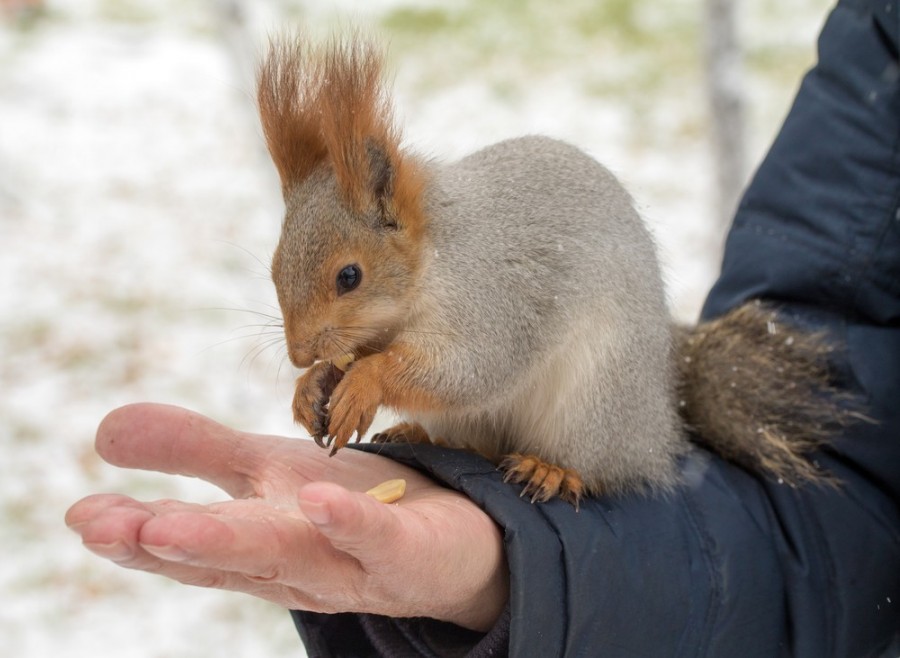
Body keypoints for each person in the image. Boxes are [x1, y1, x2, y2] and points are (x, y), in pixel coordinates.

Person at [65, 0, 900, 655]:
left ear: (395, 212)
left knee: (551, 358)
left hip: (590, 413)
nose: (303, 339)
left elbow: (480, 367)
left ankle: (577, 467)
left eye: (344, 285)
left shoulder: (459, 267)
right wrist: (336, 378)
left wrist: (384, 378)